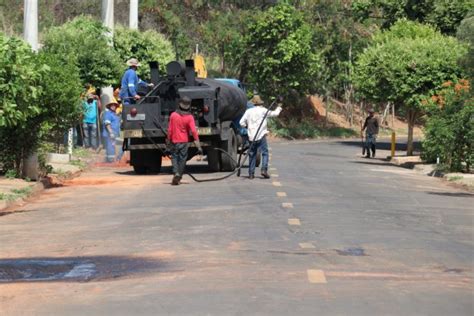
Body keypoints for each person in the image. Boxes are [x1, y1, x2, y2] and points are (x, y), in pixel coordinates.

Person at [239, 95, 282, 179]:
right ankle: (264, 170)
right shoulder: (263, 110)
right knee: (265, 153)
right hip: (261, 135)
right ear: (260, 103)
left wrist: (247, 127)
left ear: (253, 103)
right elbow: (275, 113)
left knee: (252, 154)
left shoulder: (248, 111)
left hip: (251, 136)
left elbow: (241, 123)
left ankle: (251, 174)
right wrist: (279, 106)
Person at [167, 96, 202, 185]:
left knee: (174, 157)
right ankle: (179, 176)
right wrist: (198, 145)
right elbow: (194, 131)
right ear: (189, 106)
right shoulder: (189, 117)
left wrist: (168, 142)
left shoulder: (173, 115)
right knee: (182, 159)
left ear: (179, 104)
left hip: (174, 141)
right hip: (184, 141)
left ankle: (176, 173)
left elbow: (170, 130)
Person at [102, 98, 121, 163]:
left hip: (115, 133)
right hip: (110, 134)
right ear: (109, 106)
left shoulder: (115, 114)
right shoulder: (108, 113)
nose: (113, 106)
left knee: (113, 146)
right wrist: (111, 132)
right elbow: (107, 123)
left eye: (114, 105)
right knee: (110, 146)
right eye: (112, 105)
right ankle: (110, 161)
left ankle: (111, 159)